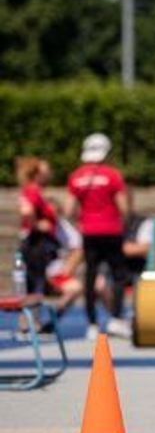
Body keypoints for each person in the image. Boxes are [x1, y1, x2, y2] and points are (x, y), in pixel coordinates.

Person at [63, 133, 131, 340]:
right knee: (118, 275)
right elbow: (124, 207)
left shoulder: (76, 176)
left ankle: (92, 324)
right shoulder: (112, 175)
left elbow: (68, 209)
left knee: (91, 276)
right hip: (111, 230)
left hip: (89, 232)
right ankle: (116, 319)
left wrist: (83, 221)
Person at [16, 158, 82, 332]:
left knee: (35, 284)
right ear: (37, 174)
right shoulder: (31, 191)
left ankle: (34, 322)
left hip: (44, 251)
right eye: (46, 170)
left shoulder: (38, 192)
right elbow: (26, 210)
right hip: (36, 247)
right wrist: (37, 224)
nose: (50, 173)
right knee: (34, 283)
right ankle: (29, 322)